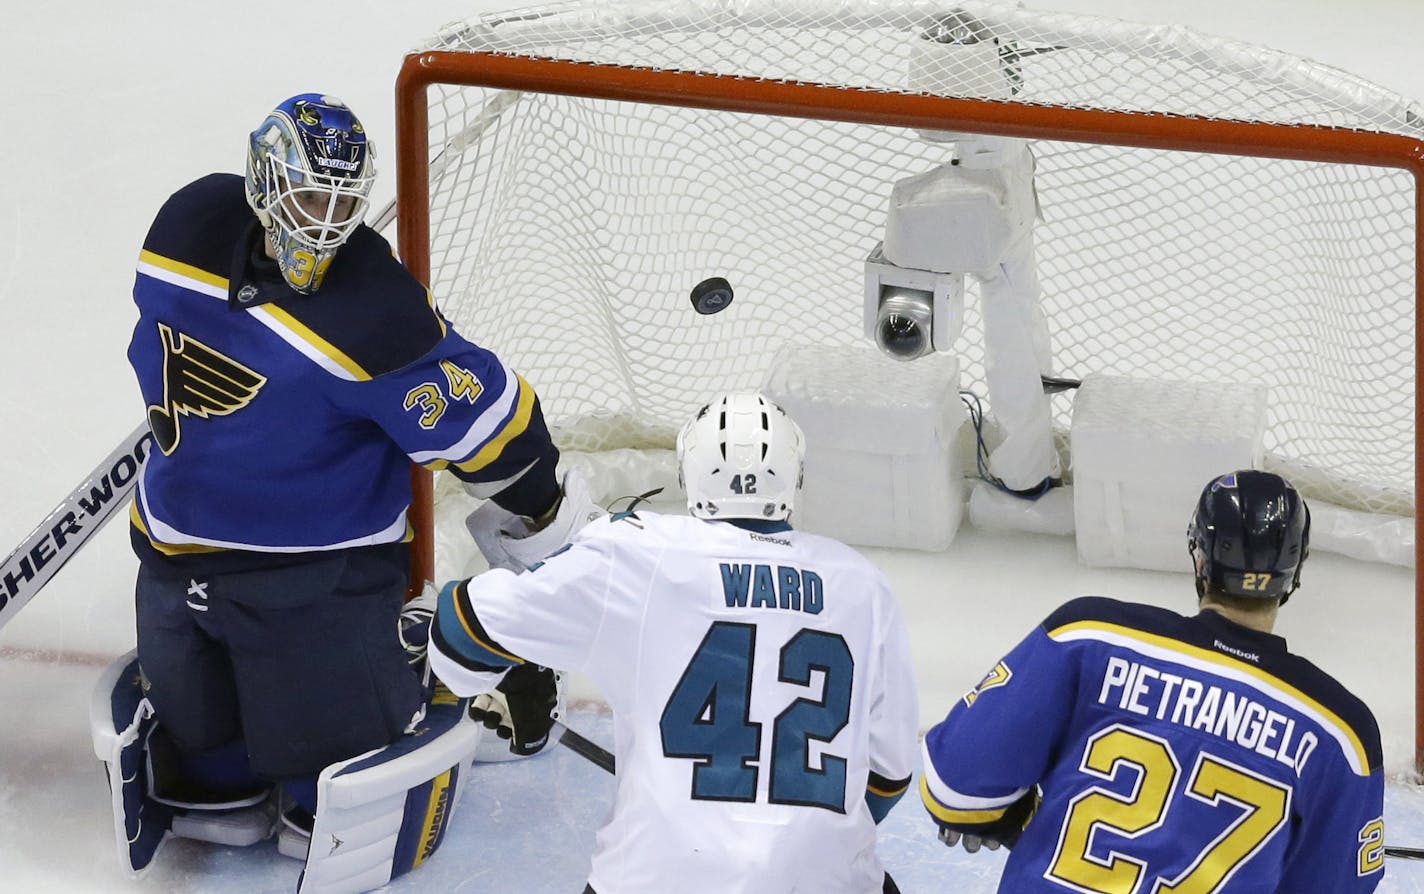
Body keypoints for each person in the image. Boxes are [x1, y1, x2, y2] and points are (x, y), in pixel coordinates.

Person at [91, 92, 597, 889]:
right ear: (263, 184)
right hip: (173, 561)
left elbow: (492, 426)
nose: (324, 224)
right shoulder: (183, 230)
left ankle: (418, 657)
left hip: (312, 581)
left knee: (314, 793)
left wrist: (543, 519)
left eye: (340, 202)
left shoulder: (373, 311)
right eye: (307, 196)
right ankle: (238, 758)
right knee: (206, 775)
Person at [427, 391, 921, 893]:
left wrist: (521, 669)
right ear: (796, 478)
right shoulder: (863, 584)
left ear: (690, 473)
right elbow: (886, 779)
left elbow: (459, 633)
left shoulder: (638, 551)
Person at [920, 469, 1385, 892]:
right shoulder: (1340, 733)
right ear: (1294, 571)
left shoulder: (1088, 635)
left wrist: (1012, 820)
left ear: (1200, 557)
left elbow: (953, 789)